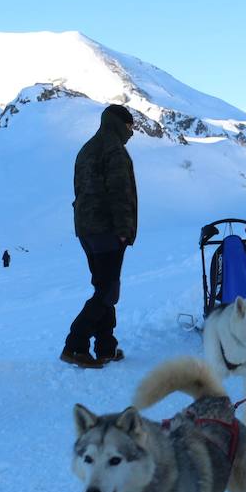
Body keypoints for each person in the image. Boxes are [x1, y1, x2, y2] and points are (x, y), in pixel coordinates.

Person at [61, 103, 138, 368]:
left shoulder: (87, 148)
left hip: (87, 230)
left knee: (105, 287)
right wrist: (123, 230)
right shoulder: (114, 150)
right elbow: (120, 193)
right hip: (108, 230)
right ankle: (75, 346)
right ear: (120, 124)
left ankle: (106, 348)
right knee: (106, 291)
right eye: (130, 127)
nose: (131, 132)